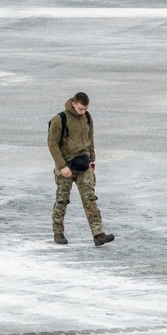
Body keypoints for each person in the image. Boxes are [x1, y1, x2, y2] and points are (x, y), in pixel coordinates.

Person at [47, 92, 114, 246]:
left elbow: (90, 139)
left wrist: (92, 159)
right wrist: (62, 166)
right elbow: (52, 144)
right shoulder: (60, 119)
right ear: (73, 104)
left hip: (83, 164)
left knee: (90, 199)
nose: (83, 112)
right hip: (66, 166)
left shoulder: (87, 117)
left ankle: (98, 235)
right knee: (62, 200)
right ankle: (58, 232)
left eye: (85, 109)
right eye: (80, 109)